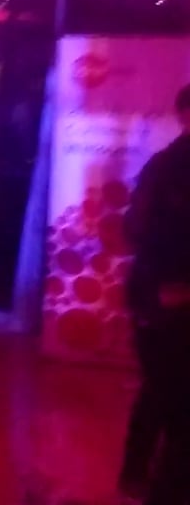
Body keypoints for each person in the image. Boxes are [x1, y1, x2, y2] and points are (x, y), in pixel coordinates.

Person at [121, 84, 190, 505]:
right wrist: (167, 287)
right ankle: (155, 487)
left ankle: (139, 476)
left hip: (165, 293)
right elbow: (140, 230)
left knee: (164, 391)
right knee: (172, 399)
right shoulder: (167, 168)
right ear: (184, 114)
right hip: (165, 295)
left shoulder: (165, 166)